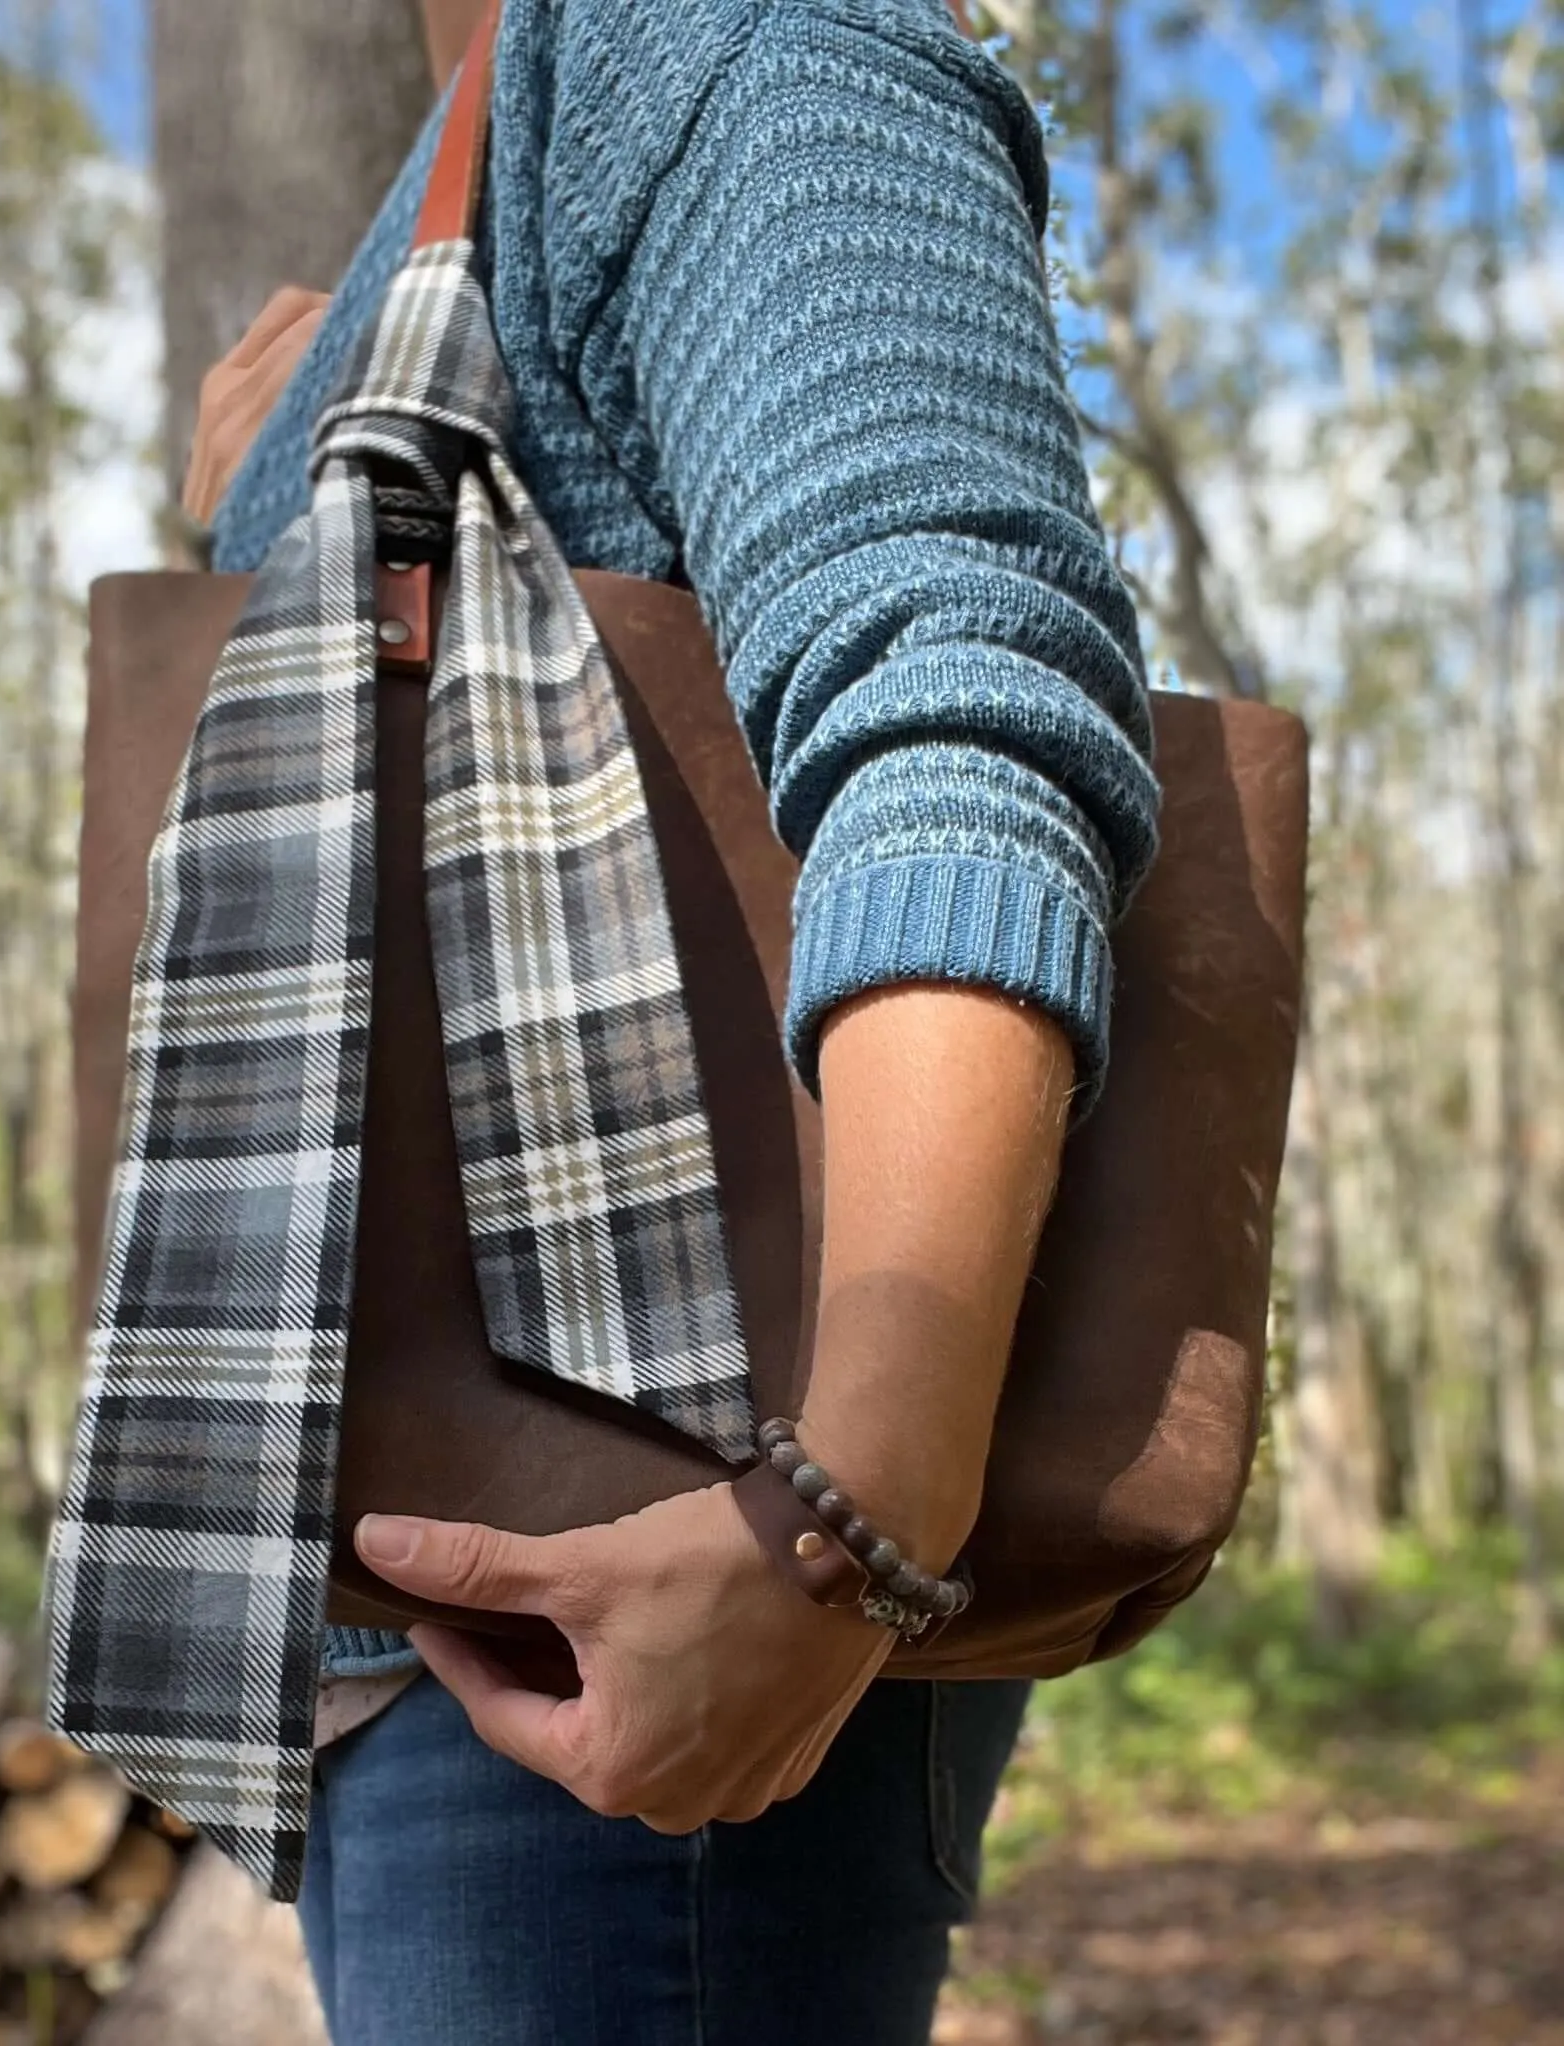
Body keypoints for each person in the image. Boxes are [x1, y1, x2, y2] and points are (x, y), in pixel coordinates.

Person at [184, 1, 1159, 2039]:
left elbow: (955, 692)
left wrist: (846, 1530)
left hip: (677, 1573)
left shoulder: (714, 30)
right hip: (435, 1628)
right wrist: (258, 493)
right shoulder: (484, 156)